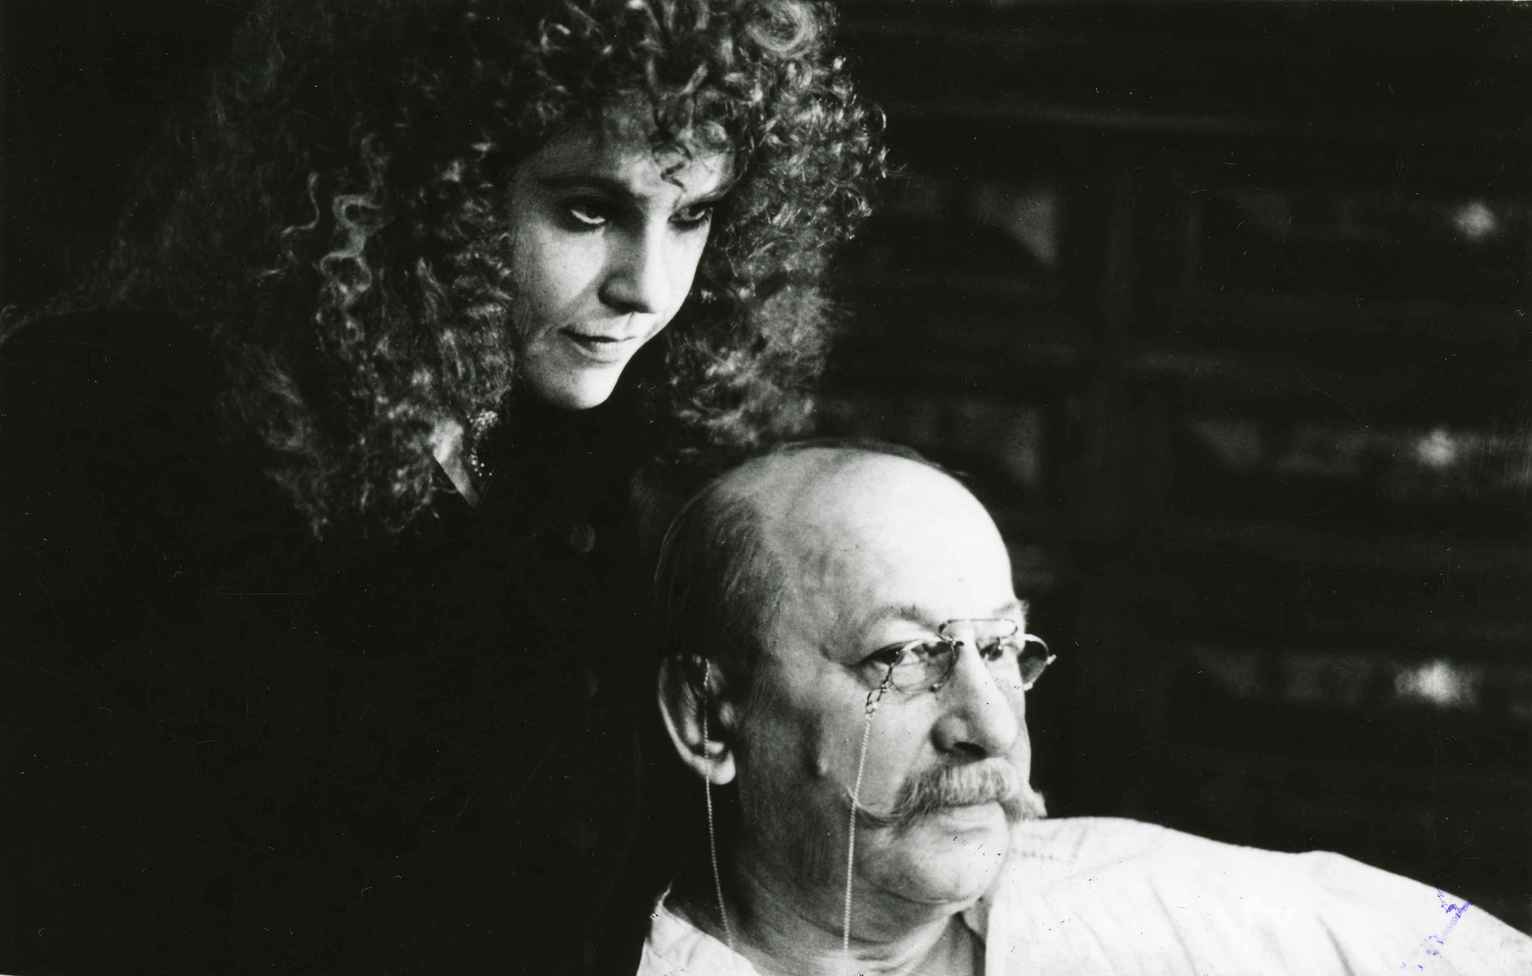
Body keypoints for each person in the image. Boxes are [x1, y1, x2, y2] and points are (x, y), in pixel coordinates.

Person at [0, 2, 881, 973]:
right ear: (425, 181)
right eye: (589, 210)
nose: (648, 285)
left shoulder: (588, 465)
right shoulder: (125, 415)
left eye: (693, 215)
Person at [644, 443, 1532, 975]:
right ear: (708, 719)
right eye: (903, 660)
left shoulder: (1172, 903)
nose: (991, 727)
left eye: (1001, 648)